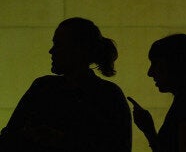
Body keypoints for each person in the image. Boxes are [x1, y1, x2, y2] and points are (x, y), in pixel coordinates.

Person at [0, 17, 131, 152]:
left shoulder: (42, 88)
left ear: (80, 49)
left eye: (58, 44)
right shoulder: (109, 94)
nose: (51, 51)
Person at [129, 33, 186, 152]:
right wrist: (149, 131)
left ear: (174, 64)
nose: (150, 73)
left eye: (156, 63)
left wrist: (150, 131)